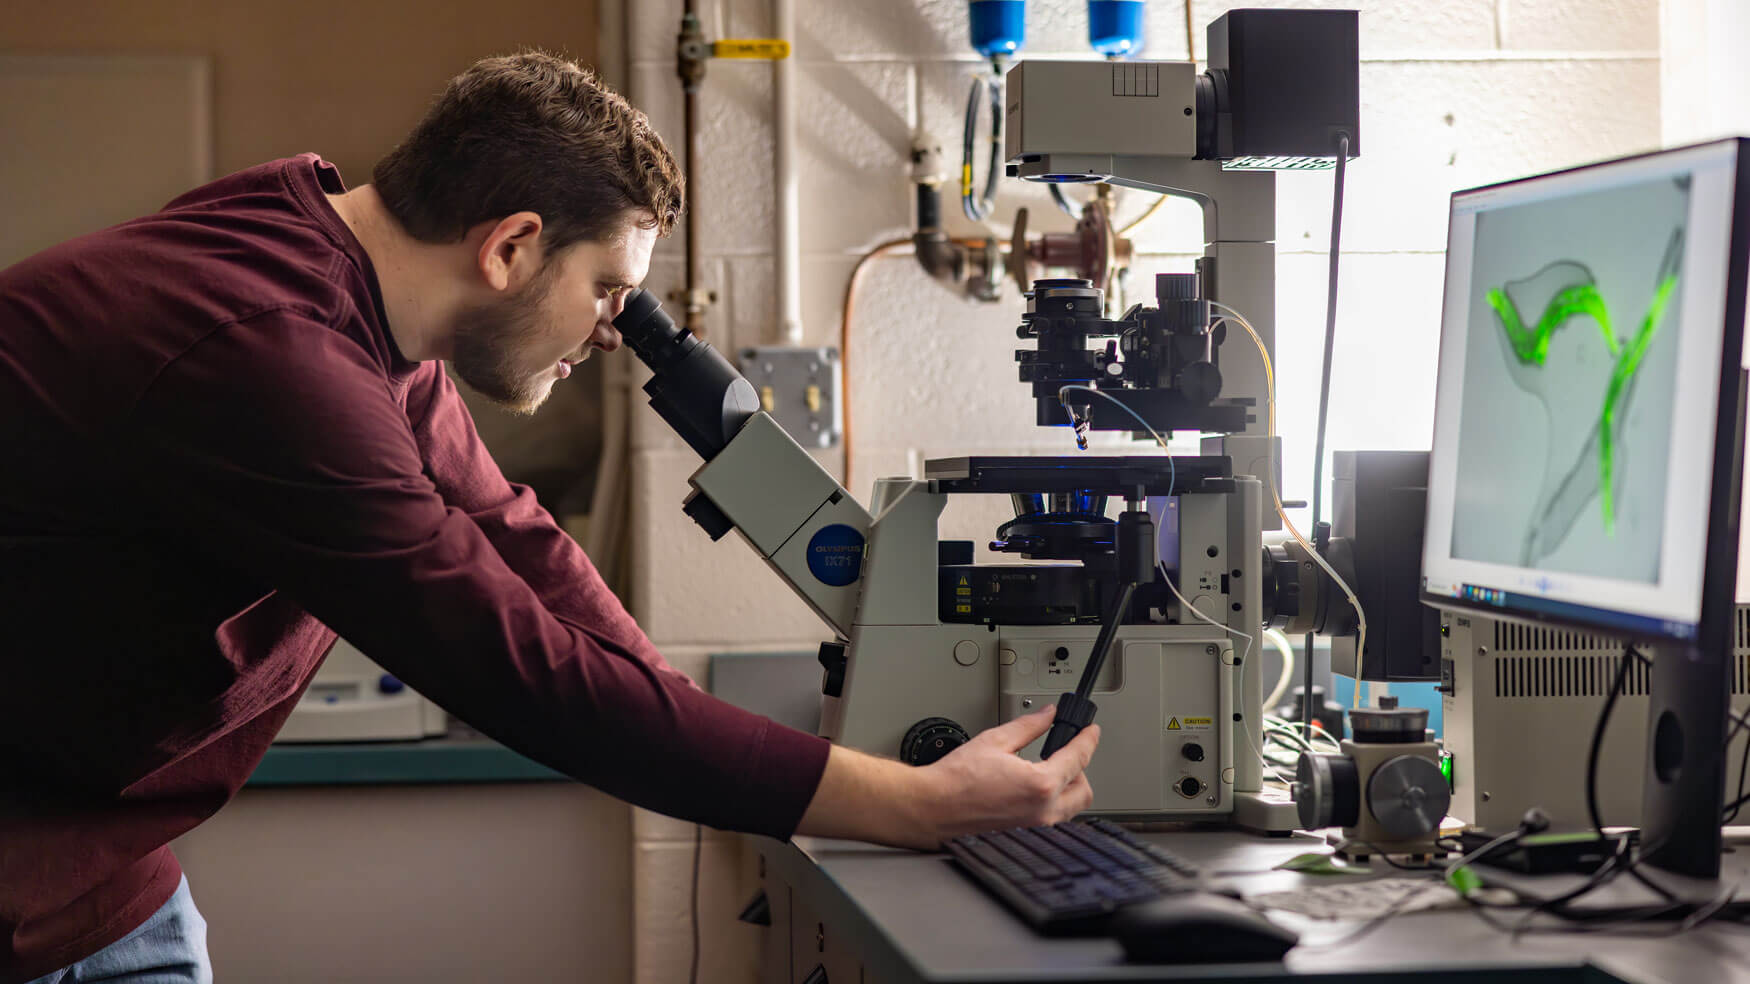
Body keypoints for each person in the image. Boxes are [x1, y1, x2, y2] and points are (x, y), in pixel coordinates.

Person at [0, 52, 1100, 983]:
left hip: (102, 877)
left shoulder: (342, 275)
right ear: (512, 245)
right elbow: (522, 671)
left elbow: (518, 543)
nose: (616, 330)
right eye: (611, 290)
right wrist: (913, 805)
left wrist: (684, 723)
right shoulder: (270, 358)